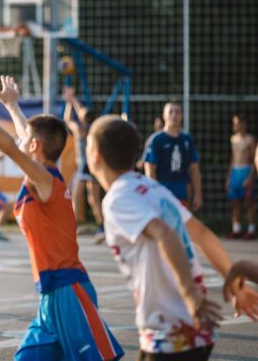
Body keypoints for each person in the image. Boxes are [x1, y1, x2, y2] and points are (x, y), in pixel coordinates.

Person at [0, 76, 124, 361]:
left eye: (26, 140)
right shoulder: (41, 175)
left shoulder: (47, 180)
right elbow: (24, 138)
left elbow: (10, 146)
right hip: (50, 295)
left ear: (34, 147)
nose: (21, 139)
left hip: (70, 291)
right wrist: (13, 106)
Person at [86, 115, 258, 359]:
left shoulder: (117, 199)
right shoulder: (153, 188)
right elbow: (203, 234)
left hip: (170, 334)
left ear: (95, 154)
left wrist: (191, 297)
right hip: (195, 332)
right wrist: (237, 285)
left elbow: (164, 233)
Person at [62, 87, 105, 244]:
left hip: (83, 167)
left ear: (83, 119)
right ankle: (101, 227)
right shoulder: (95, 129)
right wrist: (73, 100)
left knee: (76, 198)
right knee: (94, 200)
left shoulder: (79, 130)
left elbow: (67, 120)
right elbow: (82, 112)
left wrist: (69, 102)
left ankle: (72, 226)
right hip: (93, 167)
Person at [143, 102, 202, 210]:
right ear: (164, 116)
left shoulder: (187, 139)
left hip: (182, 194)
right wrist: (155, 193)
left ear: (182, 116)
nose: (174, 115)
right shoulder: (156, 140)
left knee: (181, 225)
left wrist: (197, 194)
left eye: (177, 112)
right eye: (171, 112)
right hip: (162, 195)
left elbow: (194, 169)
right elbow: (150, 169)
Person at [226, 114, 256, 239]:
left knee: (249, 202)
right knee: (235, 202)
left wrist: (250, 177)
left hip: (246, 170)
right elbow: (233, 159)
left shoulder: (250, 139)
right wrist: (229, 177)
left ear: (244, 124)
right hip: (235, 172)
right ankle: (236, 229)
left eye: (238, 123)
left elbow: (255, 159)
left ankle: (251, 229)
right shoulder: (233, 139)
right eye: (234, 123)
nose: (236, 125)